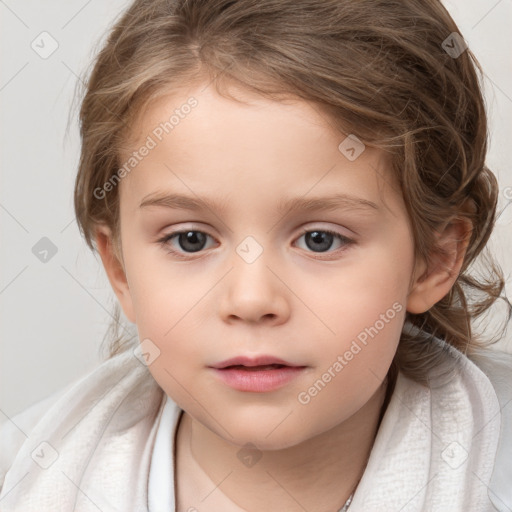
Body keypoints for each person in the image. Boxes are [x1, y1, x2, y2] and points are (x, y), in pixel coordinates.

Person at [1, 0, 511, 510]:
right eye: (190, 240)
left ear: (435, 258)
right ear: (120, 268)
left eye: (320, 239)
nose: (250, 299)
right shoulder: (26, 479)